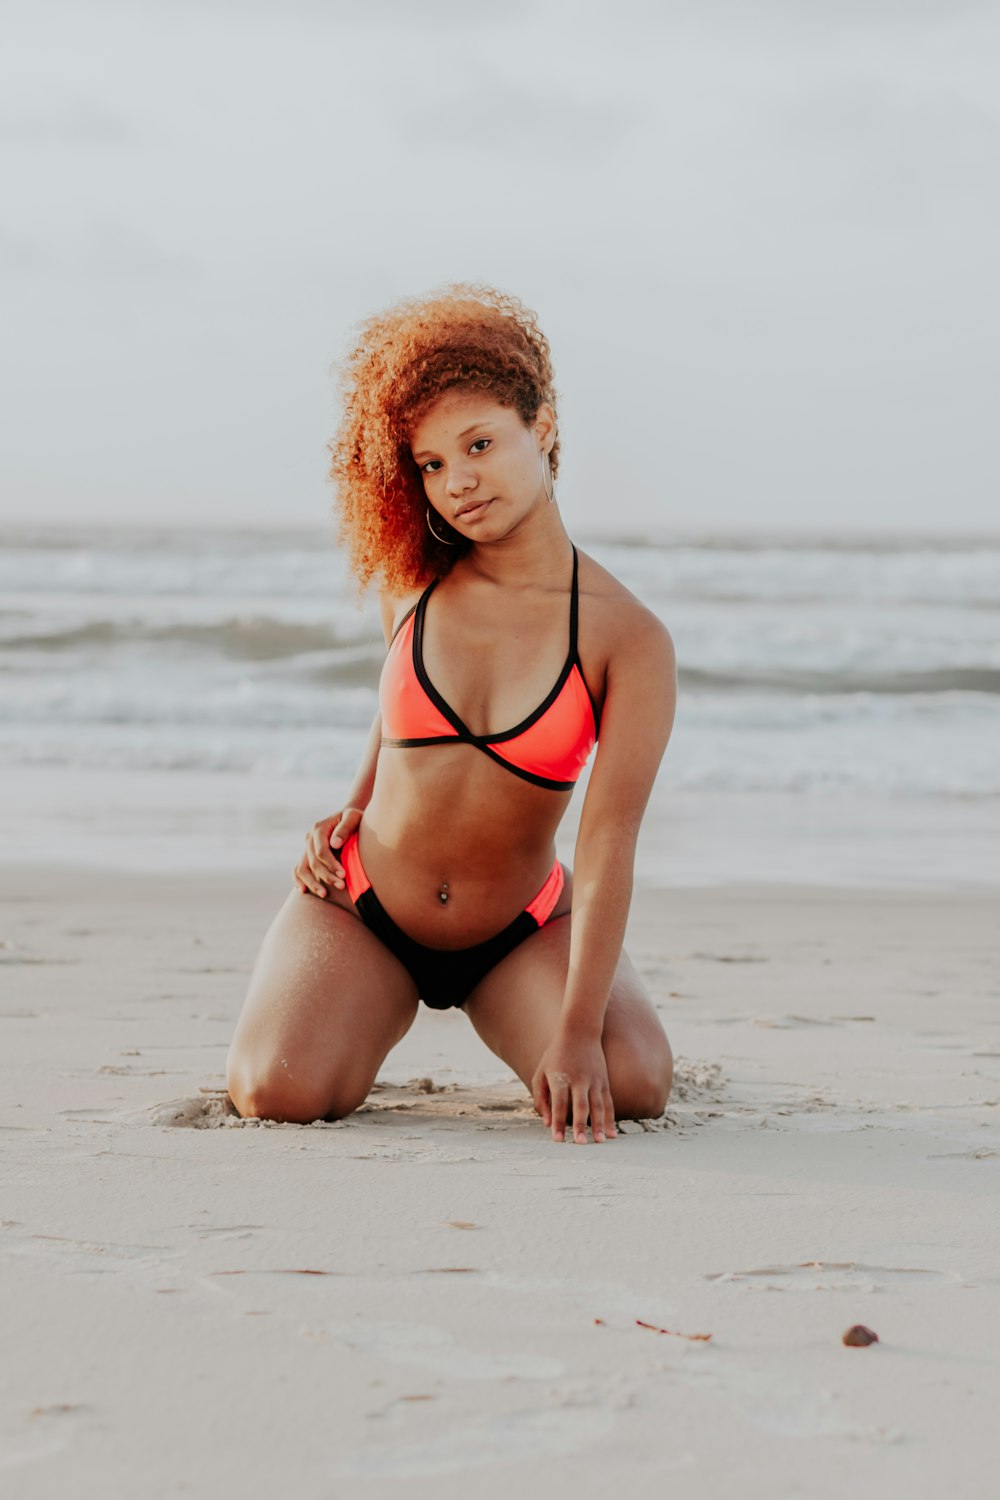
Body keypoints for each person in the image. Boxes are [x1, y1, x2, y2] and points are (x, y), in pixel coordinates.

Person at [226, 284, 677, 1144]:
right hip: (365, 904)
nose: (458, 482)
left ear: (541, 429)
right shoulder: (414, 582)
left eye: (479, 445)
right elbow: (397, 707)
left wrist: (578, 1032)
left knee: (632, 1081)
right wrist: (355, 799)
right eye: (431, 464)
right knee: (274, 1090)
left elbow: (609, 838)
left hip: (519, 926)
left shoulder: (628, 638)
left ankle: (563, 1007)